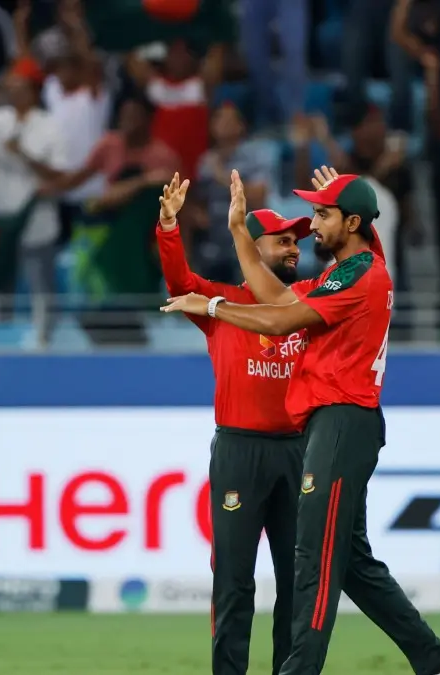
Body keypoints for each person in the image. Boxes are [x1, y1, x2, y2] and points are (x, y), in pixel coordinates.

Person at [162, 167, 440, 675]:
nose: (312, 227)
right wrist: (242, 230)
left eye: (322, 215)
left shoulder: (355, 273)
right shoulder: (347, 269)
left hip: (339, 421)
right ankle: (439, 663)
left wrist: (216, 305)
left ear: (352, 222)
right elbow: (279, 301)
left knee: (313, 560)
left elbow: (282, 316)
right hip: (324, 426)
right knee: (349, 561)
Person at [155, 172, 308, 675]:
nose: (293, 249)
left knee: (296, 580)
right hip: (240, 452)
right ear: (251, 246)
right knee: (234, 580)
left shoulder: (306, 303)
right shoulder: (221, 304)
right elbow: (180, 285)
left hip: (299, 451)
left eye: (296, 241)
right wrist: (169, 224)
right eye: (282, 240)